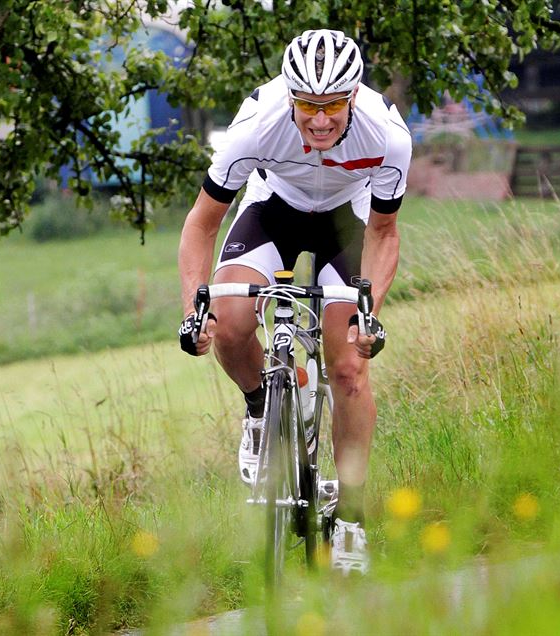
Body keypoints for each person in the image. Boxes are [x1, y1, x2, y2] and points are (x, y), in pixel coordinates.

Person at [177, 29, 411, 575]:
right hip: (272, 207)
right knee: (230, 319)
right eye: (308, 104)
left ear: (353, 95)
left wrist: (368, 311)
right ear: (290, 97)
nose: (321, 119)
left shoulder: (388, 134)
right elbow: (200, 224)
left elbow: (384, 232)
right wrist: (194, 308)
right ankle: (261, 406)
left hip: (346, 222)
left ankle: (349, 519)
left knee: (349, 365)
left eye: (332, 104)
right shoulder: (256, 125)